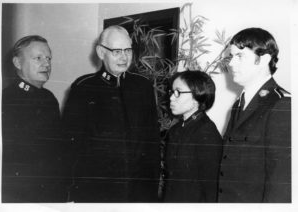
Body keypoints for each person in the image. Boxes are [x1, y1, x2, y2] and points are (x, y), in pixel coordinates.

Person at [62, 25, 160, 202]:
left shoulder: (142, 86)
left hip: (138, 191)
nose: (124, 57)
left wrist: (152, 189)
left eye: (128, 50)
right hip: (98, 191)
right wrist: (70, 190)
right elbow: (71, 145)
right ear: (101, 52)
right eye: (116, 51)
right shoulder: (84, 87)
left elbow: (152, 142)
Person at [218, 28, 291, 202]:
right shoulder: (239, 104)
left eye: (240, 56)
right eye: (232, 56)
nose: (231, 63)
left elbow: (281, 182)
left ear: (264, 59)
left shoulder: (281, 104)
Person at [2, 35, 70, 202]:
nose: (46, 64)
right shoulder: (6, 100)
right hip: (23, 196)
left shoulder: (48, 98)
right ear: (17, 63)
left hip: (52, 193)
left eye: (48, 58)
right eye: (38, 58)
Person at [163, 70, 223, 202]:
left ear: (197, 96)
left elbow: (211, 189)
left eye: (178, 92)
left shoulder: (206, 132)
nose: (171, 97)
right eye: (172, 92)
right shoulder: (175, 130)